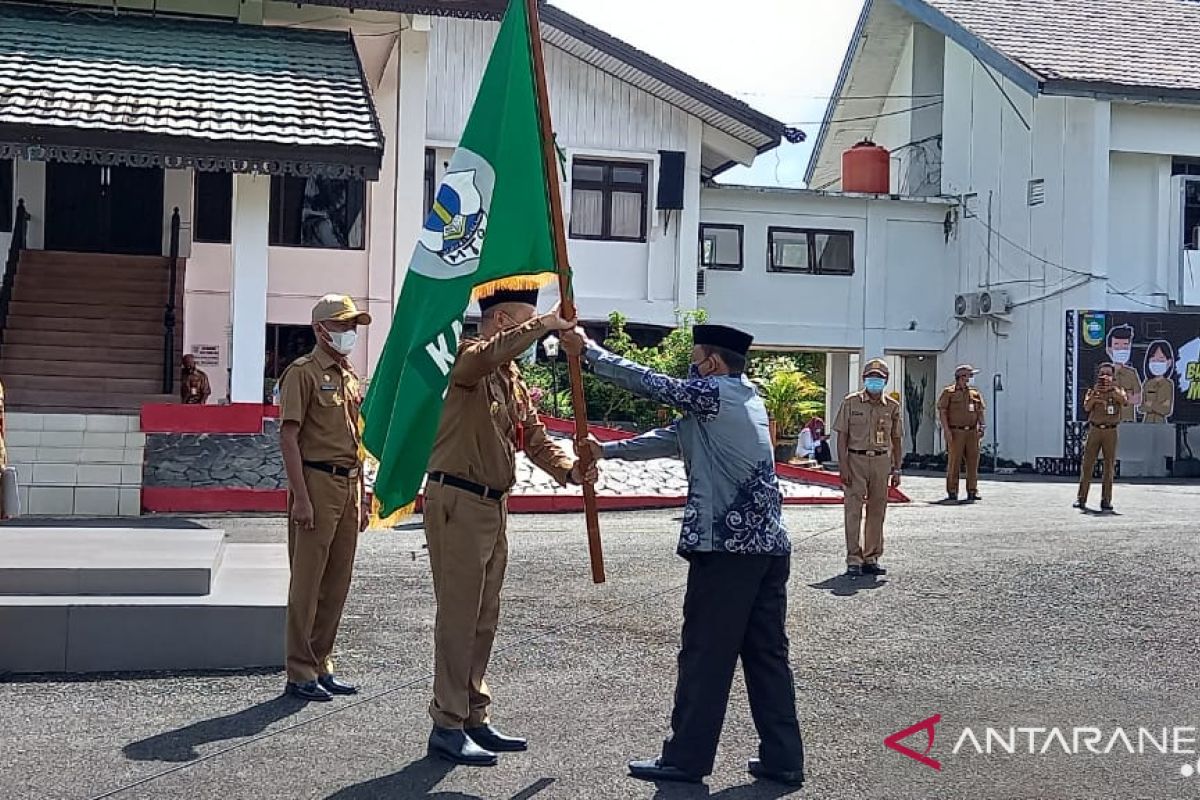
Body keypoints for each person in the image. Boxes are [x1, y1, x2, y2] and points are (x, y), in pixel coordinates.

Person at [563, 323, 806, 789]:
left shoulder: (714, 392)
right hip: (767, 548)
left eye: (693, 360)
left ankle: (686, 759)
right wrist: (605, 451)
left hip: (727, 549)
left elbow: (652, 383)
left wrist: (590, 354)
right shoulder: (742, 399)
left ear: (711, 363)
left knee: (705, 657)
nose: (688, 370)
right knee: (766, 656)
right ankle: (783, 758)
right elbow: (671, 440)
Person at [424, 289, 593, 767]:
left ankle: (473, 713)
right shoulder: (468, 360)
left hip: (493, 506)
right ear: (500, 320)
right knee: (458, 619)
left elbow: (533, 437)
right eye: (525, 322)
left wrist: (569, 470)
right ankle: (447, 723)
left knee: (483, 617)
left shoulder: (509, 377)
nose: (533, 333)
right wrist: (545, 324)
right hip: (457, 499)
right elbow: (487, 355)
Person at [278, 294, 372, 702]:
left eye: (353, 325)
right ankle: (299, 670)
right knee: (307, 582)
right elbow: (288, 436)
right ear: (320, 330)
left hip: (348, 484)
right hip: (315, 482)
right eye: (342, 325)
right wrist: (300, 497)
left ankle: (321, 663)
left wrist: (364, 494)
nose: (350, 333)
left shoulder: (349, 375)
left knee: (337, 581)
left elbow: (358, 441)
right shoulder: (303, 373)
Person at [834, 358, 902, 577]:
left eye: (879, 379)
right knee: (853, 510)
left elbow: (897, 438)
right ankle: (853, 558)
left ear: (886, 381)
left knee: (877, 510)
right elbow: (842, 436)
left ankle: (871, 557)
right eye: (871, 378)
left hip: (882, 460)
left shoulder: (892, 406)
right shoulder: (851, 402)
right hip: (856, 459)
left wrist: (897, 468)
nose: (875, 382)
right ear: (864, 379)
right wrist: (843, 466)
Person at [1075, 362, 1127, 512]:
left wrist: (1111, 390)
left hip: (1111, 431)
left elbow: (1124, 401)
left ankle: (1106, 500)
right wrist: (1096, 397)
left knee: (1109, 466)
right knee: (1087, 465)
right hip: (1095, 429)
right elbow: (1086, 407)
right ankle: (1081, 499)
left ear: (1113, 376)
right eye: (1102, 373)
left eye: (1108, 374)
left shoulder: (1118, 390)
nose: (1105, 376)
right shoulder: (1093, 390)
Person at [937, 364, 986, 502]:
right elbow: (942, 411)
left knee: (973, 462)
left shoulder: (974, 394)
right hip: (956, 431)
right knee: (954, 462)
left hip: (971, 432)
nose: (971, 379)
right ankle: (952, 491)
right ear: (961, 377)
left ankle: (972, 490)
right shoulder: (949, 392)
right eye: (969, 376)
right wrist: (946, 430)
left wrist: (982, 425)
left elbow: (980, 411)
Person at [1105, 325, 1141, 422]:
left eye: (1125, 345)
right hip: (1109, 422)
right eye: (1116, 344)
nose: (1121, 349)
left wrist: (1118, 396)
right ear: (1109, 349)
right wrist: (1127, 395)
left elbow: (1137, 399)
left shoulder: (1132, 373)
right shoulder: (1105, 372)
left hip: (1128, 421)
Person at [1139, 340, 1175, 424]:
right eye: (1153, 360)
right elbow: (1141, 407)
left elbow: (1166, 410)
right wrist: (1158, 406)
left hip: (1161, 423)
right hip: (1146, 422)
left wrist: (1151, 404)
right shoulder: (1147, 384)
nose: (1157, 363)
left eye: (1161, 360)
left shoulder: (1168, 384)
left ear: (1169, 362)